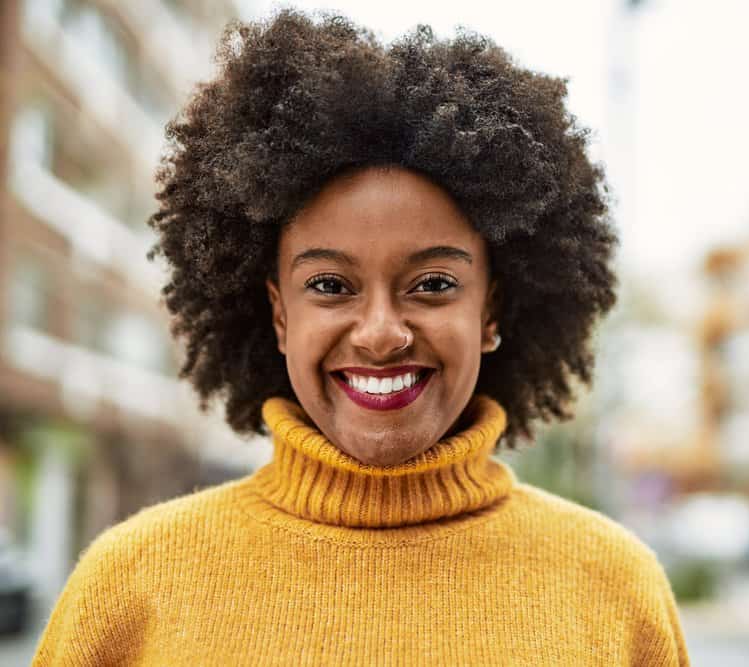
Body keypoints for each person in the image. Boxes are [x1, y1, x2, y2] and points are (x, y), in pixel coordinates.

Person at [32, 9, 690, 666]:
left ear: (492, 309)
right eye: (329, 285)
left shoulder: (613, 589)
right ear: (278, 313)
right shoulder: (129, 589)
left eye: (432, 284)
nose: (381, 335)